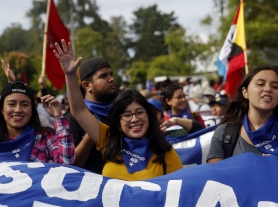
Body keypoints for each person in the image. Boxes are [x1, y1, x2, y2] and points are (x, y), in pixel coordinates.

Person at [54, 40, 182, 180]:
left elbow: (179, 192)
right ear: (118, 122)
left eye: (139, 112)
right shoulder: (109, 140)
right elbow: (79, 111)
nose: (134, 119)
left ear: (149, 116)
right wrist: (70, 75)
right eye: (127, 115)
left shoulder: (167, 154)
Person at [206, 66, 278, 171]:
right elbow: (216, 181)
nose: (268, 89)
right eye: (260, 84)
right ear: (245, 92)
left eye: (274, 86)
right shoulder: (225, 133)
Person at [0, 81, 74, 167]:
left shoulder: (43, 137)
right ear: (2, 109)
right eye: (12, 104)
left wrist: (58, 117)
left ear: (32, 110)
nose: (18, 110)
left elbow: (66, 162)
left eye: (25, 105)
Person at [65, 56, 118, 174]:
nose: (111, 79)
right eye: (103, 76)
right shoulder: (73, 119)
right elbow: (70, 165)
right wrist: (91, 134)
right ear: (87, 85)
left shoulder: (121, 112)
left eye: (111, 74)